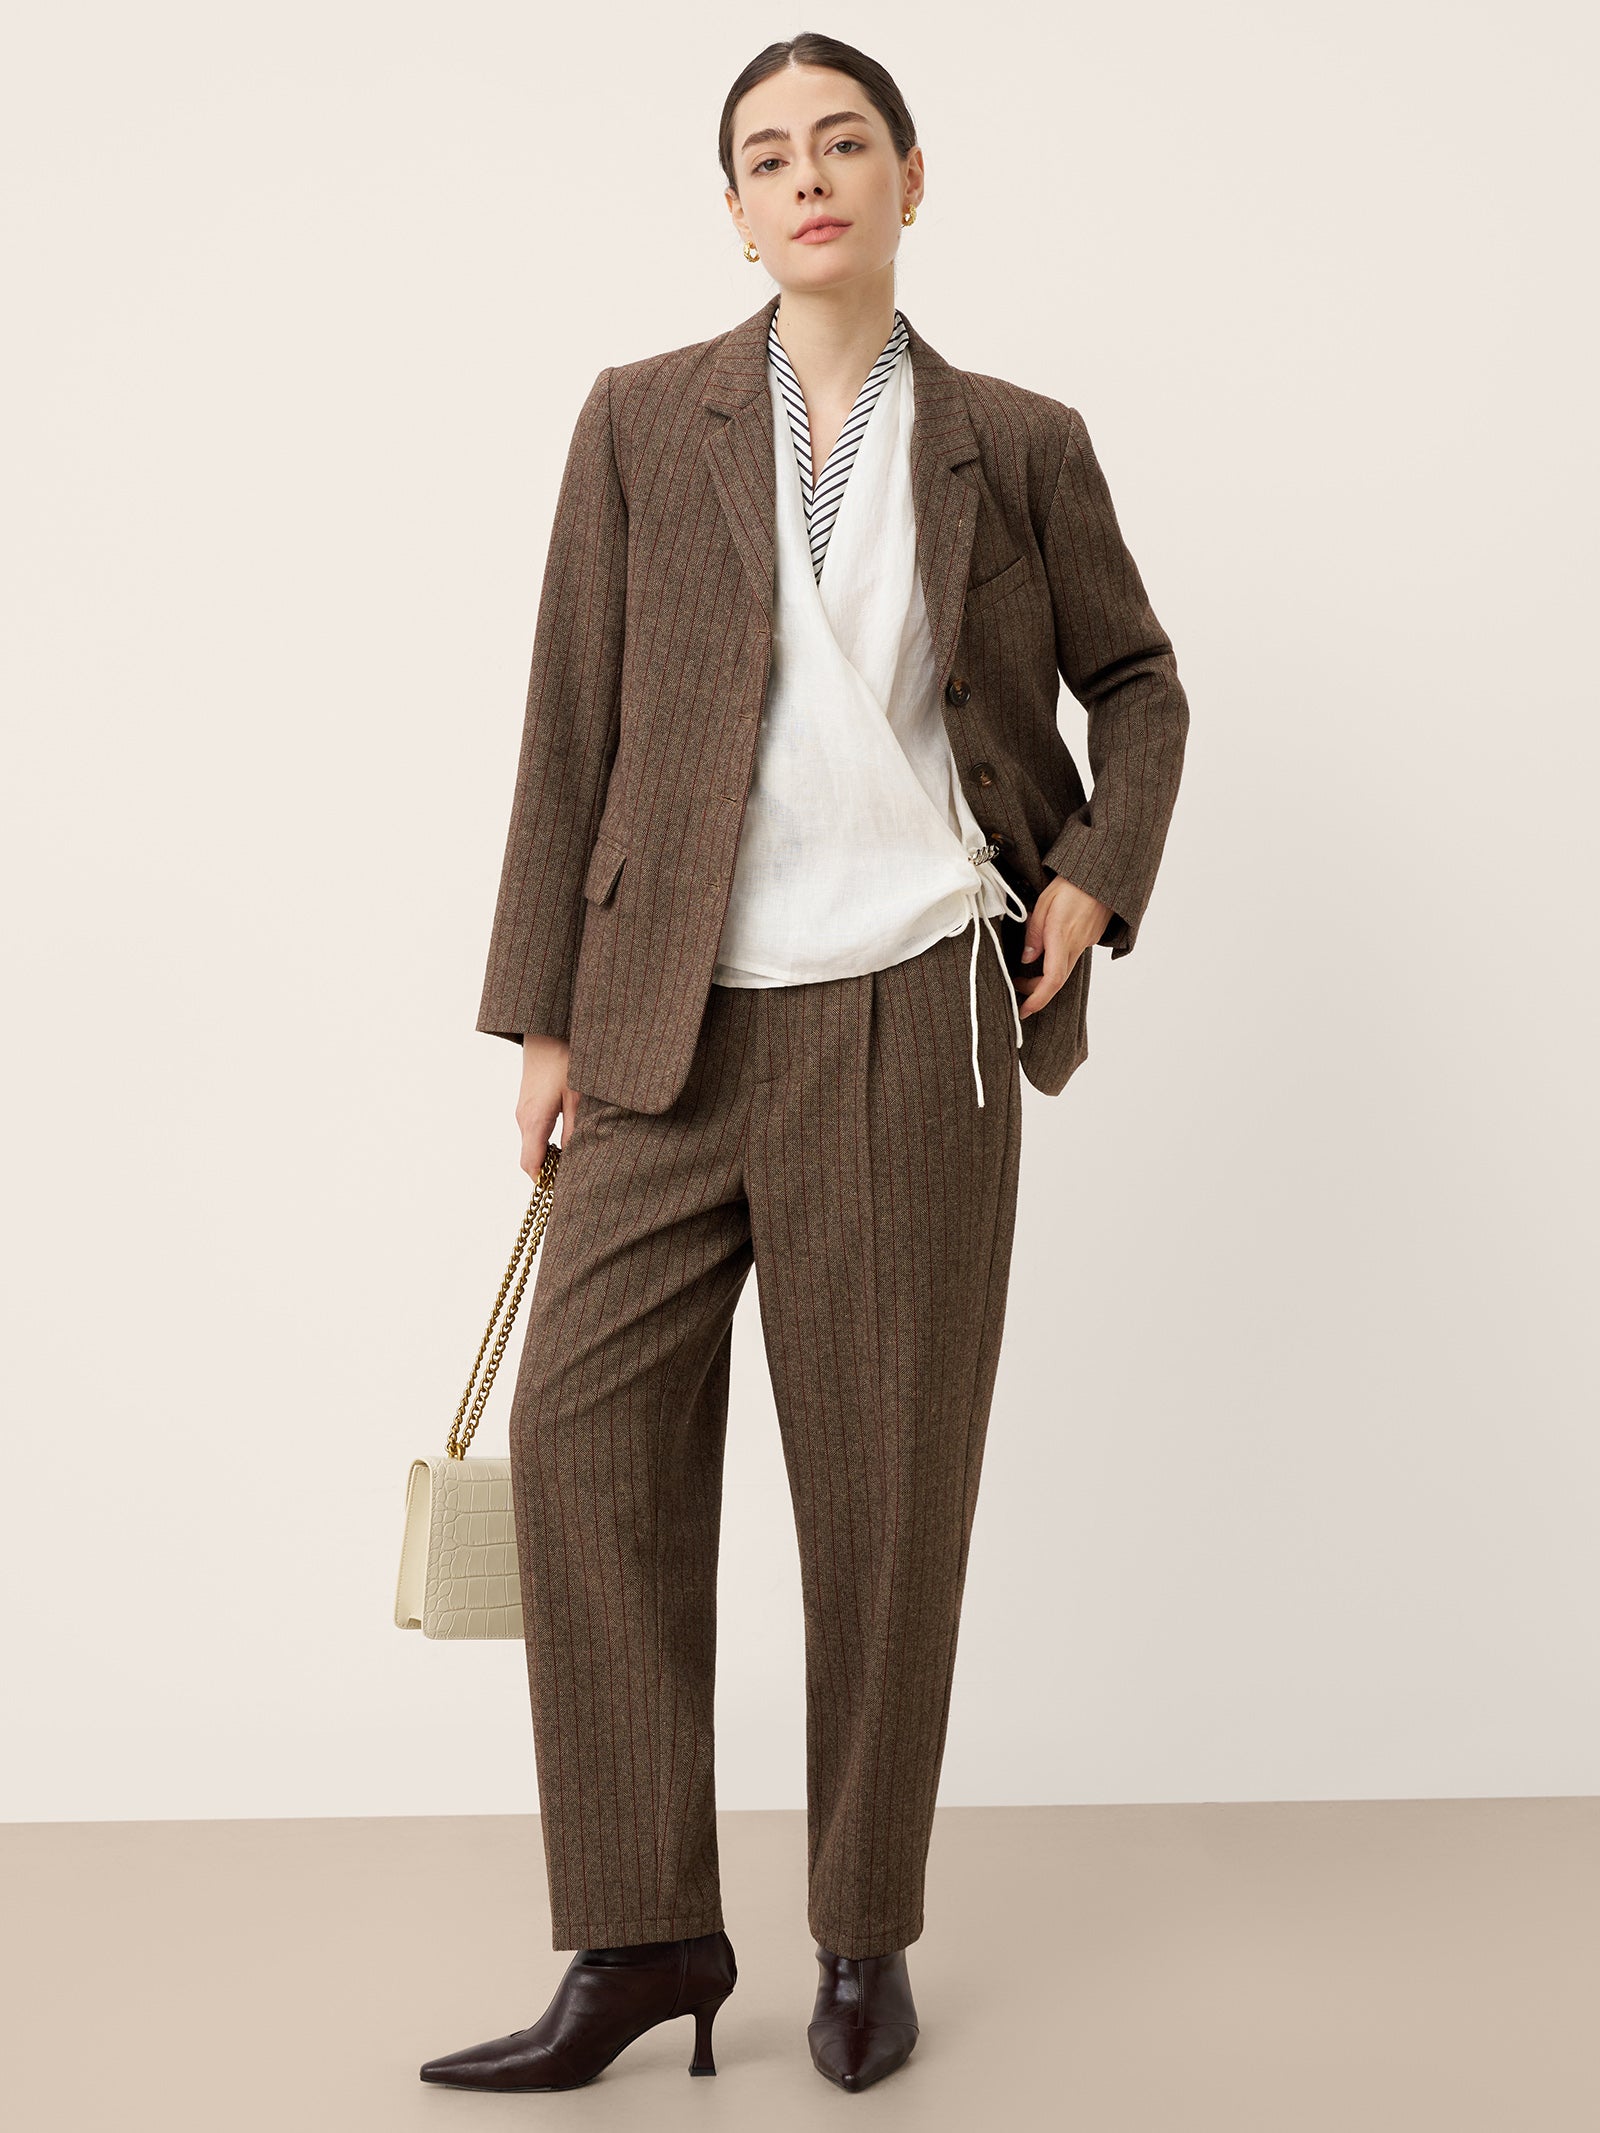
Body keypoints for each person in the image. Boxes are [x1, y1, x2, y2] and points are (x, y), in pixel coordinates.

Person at [420, 30, 1189, 2099]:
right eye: (769, 155)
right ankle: (641, 1928)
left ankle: (864, 1933)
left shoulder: (1015, 441)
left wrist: (1089, 882)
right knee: (583, 1449)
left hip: (914, 1017)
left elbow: (1137, 682)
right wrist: (545, 1014)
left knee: (882, 1499)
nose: (810, 175)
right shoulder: (636, 420)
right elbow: (566, 722)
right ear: (735, 208)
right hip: (665, 1023)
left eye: (845, 141)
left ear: (910, 179)